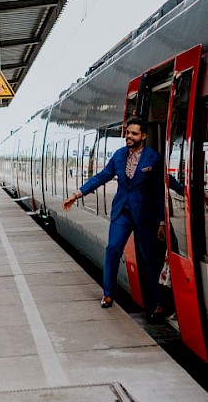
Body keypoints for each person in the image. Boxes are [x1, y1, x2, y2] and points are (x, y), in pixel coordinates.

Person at [62, 116, 168, 313]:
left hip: (145, 216)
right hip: (122, 212)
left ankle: (158, 303)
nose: (129, 136)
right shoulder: (119, 155)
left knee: (148, 259)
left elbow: (159, 190)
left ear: (143, 136)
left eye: (133, 134)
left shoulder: (153, 157)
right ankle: (108, 293)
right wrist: (77, 194)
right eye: (127, 133)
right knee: (112, 249)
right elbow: (102, 176)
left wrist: (161, 221)